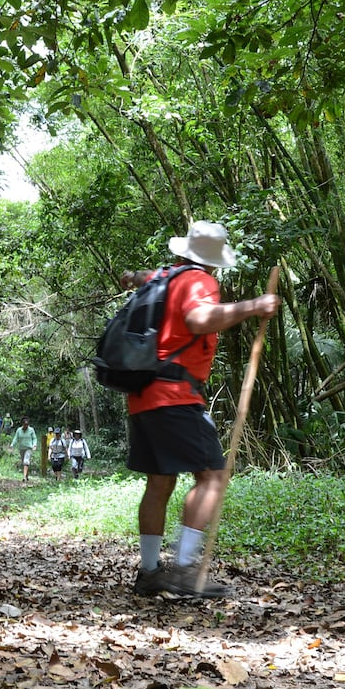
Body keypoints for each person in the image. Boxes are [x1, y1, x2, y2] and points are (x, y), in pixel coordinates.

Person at [124, 221, 280, 598]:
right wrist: (253, 306)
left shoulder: (165, 277)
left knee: (160, 482)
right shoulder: (199, 280)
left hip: (143, 394)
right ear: (212, 260)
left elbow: (139, 276)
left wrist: (134, 276)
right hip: (175, 395)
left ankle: (150, 572)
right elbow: (198, 318)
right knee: (212, 476)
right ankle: (182, 569)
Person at [10, 416, 38, 482]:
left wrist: (34, 445)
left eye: (27, 425)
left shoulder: (31, 430)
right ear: (22, 424)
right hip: (22, 448)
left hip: (29, 448)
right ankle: (26, 475)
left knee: (26, 461)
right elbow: (16, 438)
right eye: (25, 424)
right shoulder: (19, 430)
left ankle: (24, 477)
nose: (26, 426)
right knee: (24, 462)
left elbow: (34, 438)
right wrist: (12, 445)